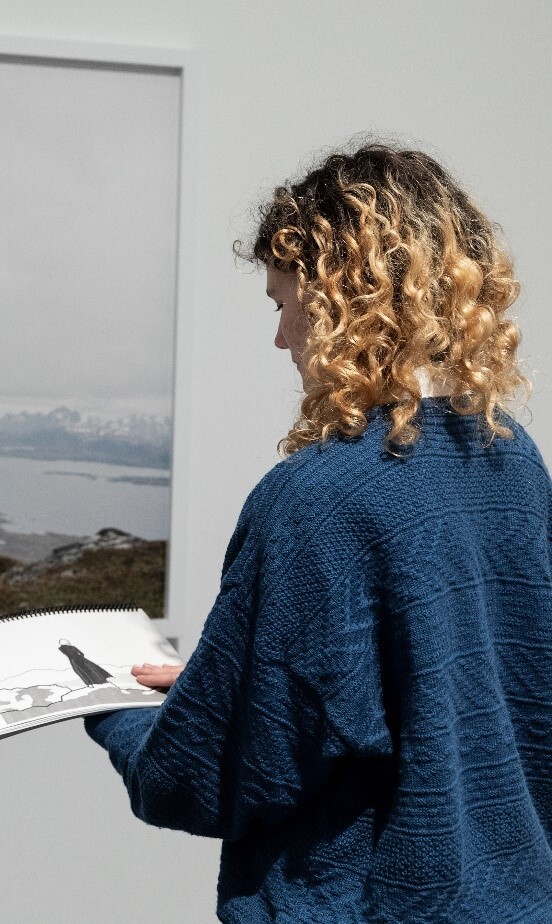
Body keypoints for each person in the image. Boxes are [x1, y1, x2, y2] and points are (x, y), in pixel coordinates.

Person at [84, 144, 552, 922]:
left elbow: (198, 779)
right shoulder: (514, 462)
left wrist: (108, 705)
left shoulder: (316, 500)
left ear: (344, 301)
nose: (281, 339)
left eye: (281, 303)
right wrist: (220, 684)